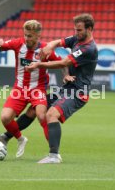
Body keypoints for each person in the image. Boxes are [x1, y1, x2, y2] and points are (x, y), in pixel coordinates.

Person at [26, 13, 98, 163]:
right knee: (36, 107)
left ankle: (54, 156)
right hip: (67, 88)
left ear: (89, 29)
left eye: (79, 30)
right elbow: (59, 42)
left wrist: (39, 64)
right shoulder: (77, 39)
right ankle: (6, 137)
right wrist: (50, 46)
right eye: (75, 29)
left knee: (51, 114)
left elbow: (64, 63)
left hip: (78, 92)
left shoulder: (88, 48)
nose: (76, 33)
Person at [0, 20, 61, 158]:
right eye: (25, 35)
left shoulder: (45, 49)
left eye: (30, 36)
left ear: (38, 36)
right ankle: (20, 139)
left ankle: (54, 154)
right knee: (5, 117)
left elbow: (62, 63)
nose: (26, 38)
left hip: (37, 89)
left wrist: (67, 75)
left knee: (42, 116)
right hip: (19, 89)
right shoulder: (17, 44)